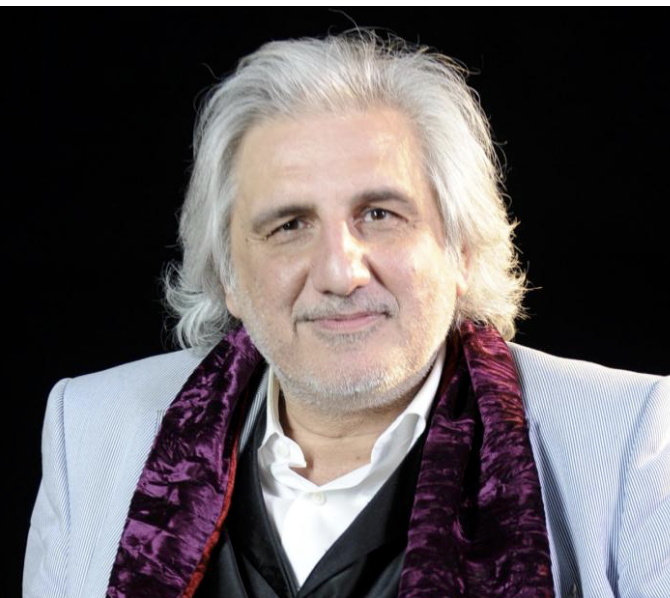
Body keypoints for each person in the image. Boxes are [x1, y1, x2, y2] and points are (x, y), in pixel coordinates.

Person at [23, 31, 668, 598]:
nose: (339, 272)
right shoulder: (90, 430)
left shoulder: (630, 441)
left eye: (379, 214)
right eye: (289, 225)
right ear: (228, 277)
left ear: (463, 250)